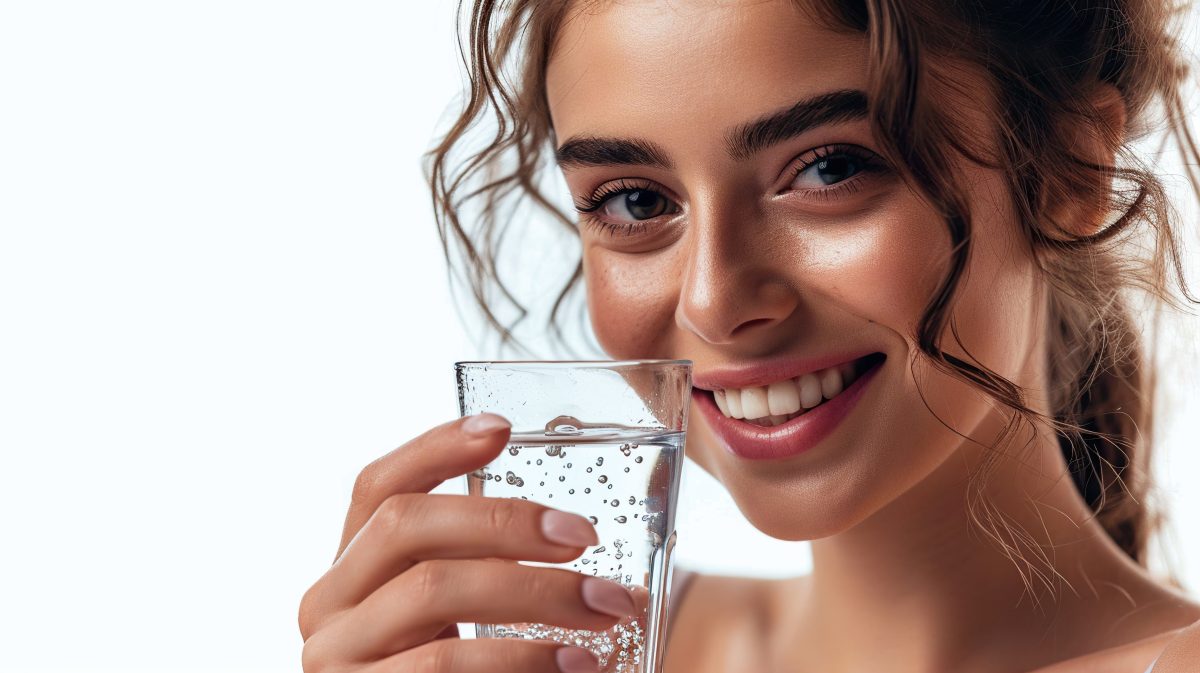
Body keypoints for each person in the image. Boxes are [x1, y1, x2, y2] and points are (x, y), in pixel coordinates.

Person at [297, 1, 1200, 671]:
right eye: (635, 201)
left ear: (1071, 168)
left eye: (829, 168)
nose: (713, 301)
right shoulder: (579, 652)